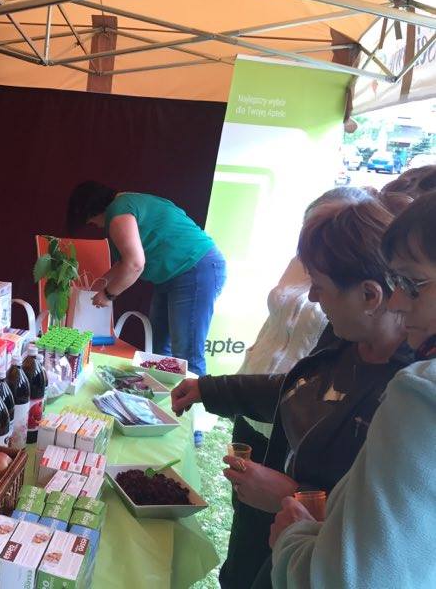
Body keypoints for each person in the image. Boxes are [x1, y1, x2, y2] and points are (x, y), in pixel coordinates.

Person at [170, 196, 413, 588]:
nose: (313, 297)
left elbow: (388, 539)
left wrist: (298, 496)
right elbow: (297, 389)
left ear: (370, 296)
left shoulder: (409, 395)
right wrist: (209, 388)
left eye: (320, 286)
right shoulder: (345, 337)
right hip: (279, 539)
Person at [269, 191, 436, 589]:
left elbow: (349, 578)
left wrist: (294, 537)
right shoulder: (349, 345)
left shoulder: (418, 394)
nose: (398, 301)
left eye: (412, 284)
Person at [220, 187, 371, 588]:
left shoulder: (395, 379)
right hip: (266, 409)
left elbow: (376, 531)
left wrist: (297, 494)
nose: (314, 295)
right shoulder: (357, 340)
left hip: (310, 550)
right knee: (244, 549)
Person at [66, 182, 226, 381]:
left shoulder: (118, 213)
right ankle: (163, 402)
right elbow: (125, 262)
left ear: (92, 210)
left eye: (91, 221)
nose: (96, 226)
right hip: (172, 275)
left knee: (186, 355)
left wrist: (108, 295)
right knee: (160, 351)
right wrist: (102, 282)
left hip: (195, 270)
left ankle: (191, 407)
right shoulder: (127, 202)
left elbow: (135, 264)